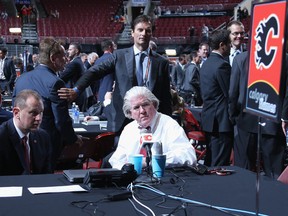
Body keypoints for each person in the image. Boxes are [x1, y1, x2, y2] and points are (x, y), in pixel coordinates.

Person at [58, 15, 172, 135]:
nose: (143, 33)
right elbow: (94, 72)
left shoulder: (161, 62)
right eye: (140, 30)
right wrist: (77, 89)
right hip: (122, 121)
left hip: (150, 122)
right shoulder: (119, 56)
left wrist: (168, 125)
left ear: (151, 34)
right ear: (132, 33)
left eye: (147, 30)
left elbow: (165, 97)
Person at [13, 38, 83, 170]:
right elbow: (61, 121)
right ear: (53, 58)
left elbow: (15, 109)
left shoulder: (21, 79)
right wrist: (73, 139)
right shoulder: (56, 82)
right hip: (46, 143)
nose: (67, 60)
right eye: (64, 56)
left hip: (21, 139)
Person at [109, 86, 197, 170]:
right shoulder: (129, 129)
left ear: (154, 105)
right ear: (130, 113)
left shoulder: (169, 124)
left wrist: (152, 161)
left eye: (145, 105)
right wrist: (126, 168)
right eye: (136, 108)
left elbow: (188, 155)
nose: (142, 111)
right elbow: (116, 160)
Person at [229, 52, 285, 178]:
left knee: (243, 172)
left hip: (246, 122)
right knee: (274, 175)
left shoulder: (241, 58)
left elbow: (233, 93)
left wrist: (233, 116)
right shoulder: (283, 58)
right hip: (272, 122)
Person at [200, 29, 233, 166]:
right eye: (229, 43)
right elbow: (230, 94)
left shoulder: (205, 64)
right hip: (221, 123)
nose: (230, 46)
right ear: (222, 44)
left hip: (209, 121)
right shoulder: (222, 65)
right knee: (220, 164)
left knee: (211, 160)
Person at [0, 90, 52, 175]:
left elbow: (47, 173)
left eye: (41, 113)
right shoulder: (2, 137)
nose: (38, 118)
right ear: (16, 113)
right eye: (33, 113)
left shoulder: (43, 137)